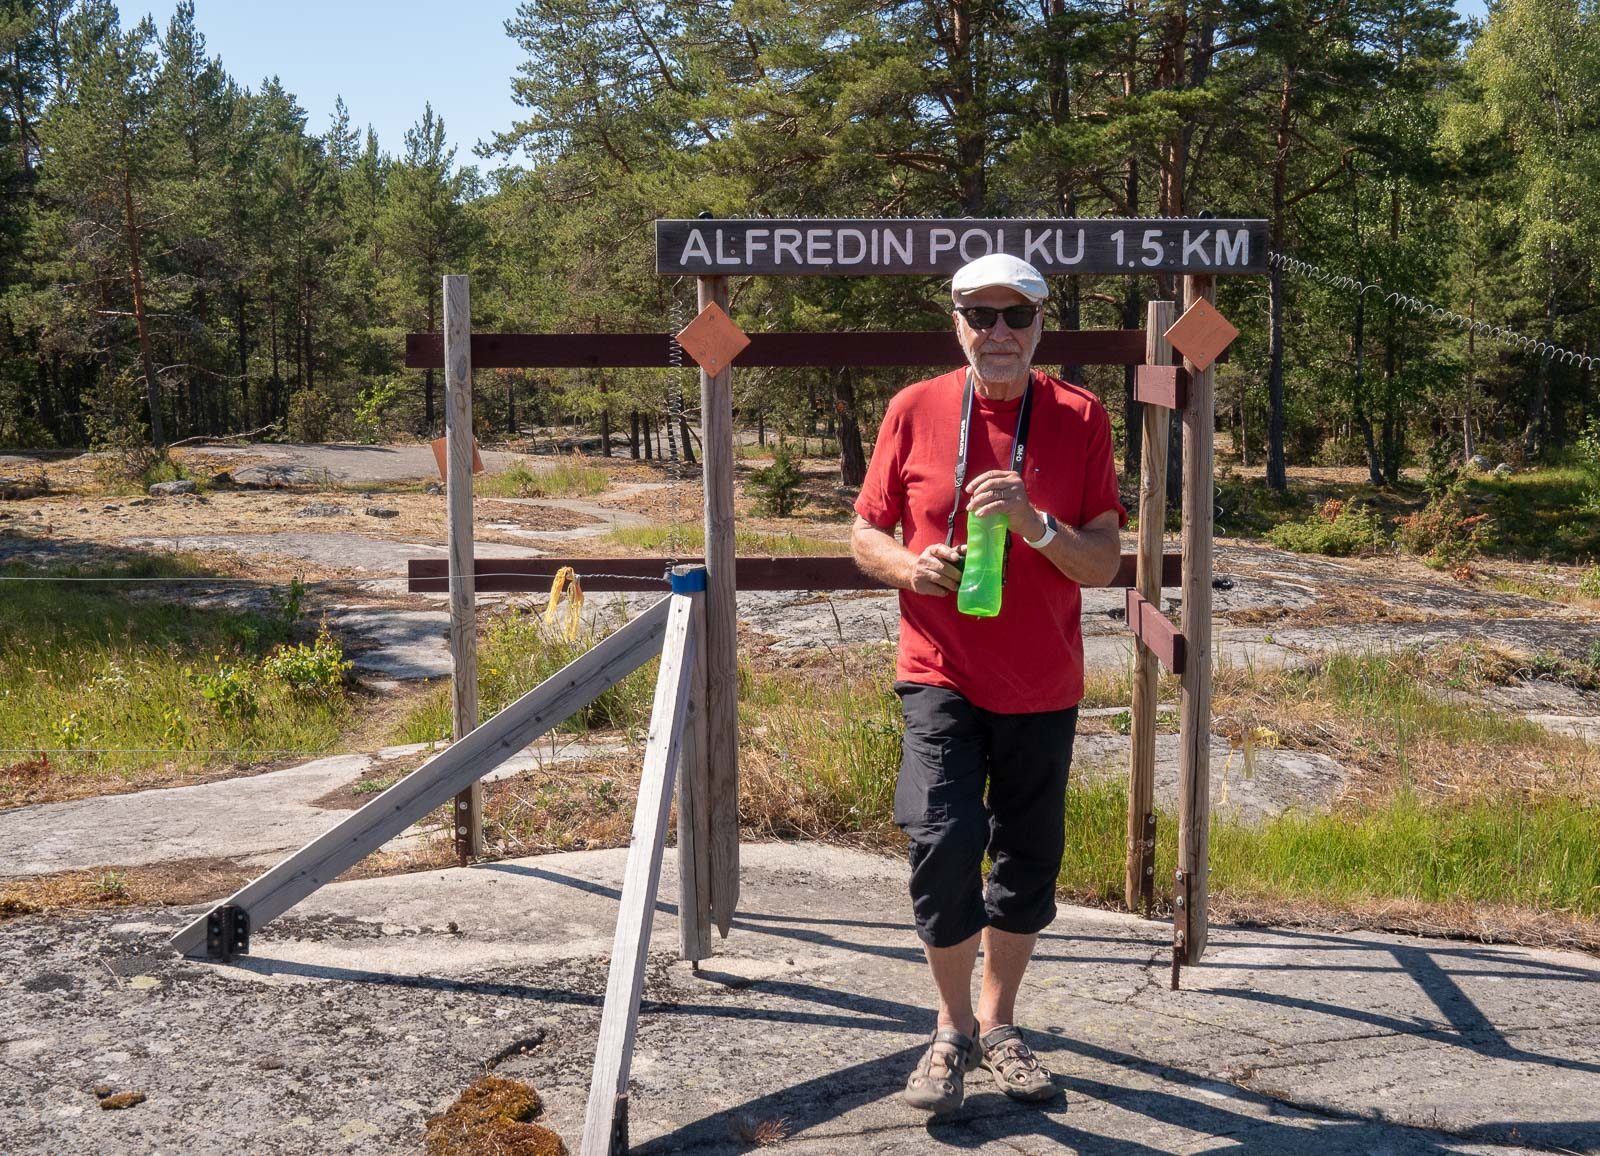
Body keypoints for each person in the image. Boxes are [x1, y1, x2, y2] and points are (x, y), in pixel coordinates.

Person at [850, 251, 1127, 1113]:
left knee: (1027, 862)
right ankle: (948, 1030)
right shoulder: (915, 407)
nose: (998, 332)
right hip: (940, 671)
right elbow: (863, 532)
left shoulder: (1081, 416)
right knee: (940, 842)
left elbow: (1104, 560)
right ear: (957, 323)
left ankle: (999, 1026)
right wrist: (910, 565)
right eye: (981, 315)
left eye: (1016, 316)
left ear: (1040, 326)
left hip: (1044, 681)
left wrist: (1038, 525)